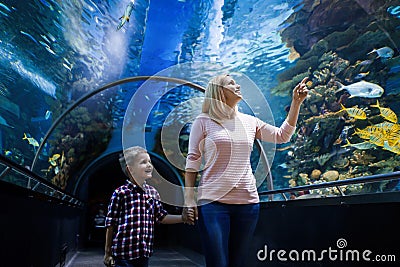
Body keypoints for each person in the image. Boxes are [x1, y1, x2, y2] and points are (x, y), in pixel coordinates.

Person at [183, 74, 309, 267]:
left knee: (238, 263)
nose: (237, 85)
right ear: (219, 91)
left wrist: (296, 103)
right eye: (231, 83)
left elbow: (282, 136)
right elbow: (193, 160)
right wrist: (189, 199)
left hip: (248, 204)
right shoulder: (203, 121)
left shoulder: (250, 121)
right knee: (218, 263)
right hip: (213, 204)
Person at [104, 146, 194, 267]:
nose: (149, 165)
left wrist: (182, 218)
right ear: (130, 170)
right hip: (122, 254)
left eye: (150, 162)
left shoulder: (153, 193)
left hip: (143, 254)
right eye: (143, 162)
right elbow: (110, 224)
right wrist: (107, 253)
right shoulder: (121, 193)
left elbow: (161, 217)